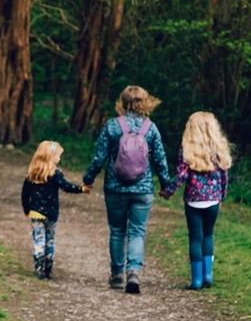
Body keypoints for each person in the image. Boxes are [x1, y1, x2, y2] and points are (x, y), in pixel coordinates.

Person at [82, 86, 171, 294]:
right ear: (145, 102)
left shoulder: (112, 126)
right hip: (143, 189)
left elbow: (99, 158)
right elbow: (160, 161)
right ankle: (134, 273)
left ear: (122, 102)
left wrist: (88, 179)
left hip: (115, 188)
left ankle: (117, 275)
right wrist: (167, 186)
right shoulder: (151, 128)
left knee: (117, 231)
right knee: (137, 232)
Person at [160, 111, 232, 289]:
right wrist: (221, 196)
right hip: (213, 202)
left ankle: (197, 280)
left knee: (195, 238)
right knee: (208, 235)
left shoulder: (187, 151)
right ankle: (207, 275)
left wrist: (169, 191)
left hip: (193, 201)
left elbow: (181, 176)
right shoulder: (219, 151)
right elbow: (224, 177)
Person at [22, 140, 91, 279]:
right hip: (51, 214)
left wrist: (26, 209)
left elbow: (25, 194)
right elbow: (66, 186)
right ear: (51, 156)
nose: (59, 158)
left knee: (38, 240)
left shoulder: (32, 174)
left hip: (35, 213)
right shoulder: (55, 174)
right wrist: (81, 189)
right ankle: (48, 269)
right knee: (50, 240)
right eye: (58, 155)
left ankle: (39, 268)